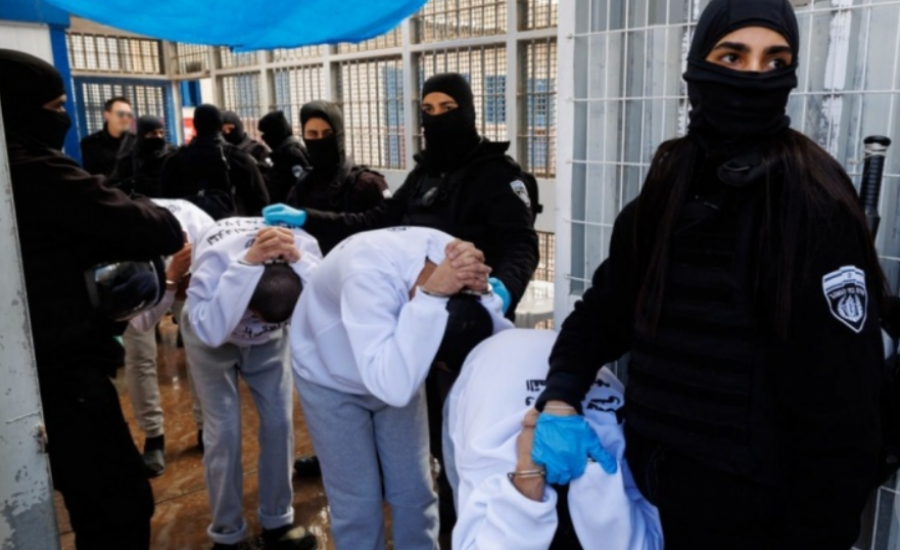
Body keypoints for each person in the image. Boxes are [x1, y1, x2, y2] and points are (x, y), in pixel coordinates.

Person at [530, 2, 886, 549]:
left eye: (775, 62)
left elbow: (843, 411)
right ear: (698, 64)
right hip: (649, 495)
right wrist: (560, 396)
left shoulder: (812, 199)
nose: (753, 77)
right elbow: (606, 311)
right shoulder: (670, 184)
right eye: (732, 56)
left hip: (756, 517)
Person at [271, 74, 540, 522]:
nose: (436, 119)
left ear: (468, 110)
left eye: (447, 109)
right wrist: (308, 218)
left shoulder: (497, 173)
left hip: (464, 320)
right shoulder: (423, 174)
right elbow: (374, 222)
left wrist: (505, 287)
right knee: (427, 428)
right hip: (413, 319)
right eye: (427, 110)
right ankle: (440, 509)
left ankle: (468, 519)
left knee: (465, 428)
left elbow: (522, 243)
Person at [1, 49, 184, 549]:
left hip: (37, 365)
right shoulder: (33, 168)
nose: (62, 116)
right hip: (62, 370)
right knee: (118, 506)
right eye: (56, 106)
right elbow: (157, 226)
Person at [289, 226, 510, 550]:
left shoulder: (454, 259)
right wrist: (431, 297)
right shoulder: (366, 274)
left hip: (398, 366)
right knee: (357, 500)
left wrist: (487, 294)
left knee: (414, 489)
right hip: (328, 373)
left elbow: (494, 335)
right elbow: (392, 387)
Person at [448, 329, 663, 550]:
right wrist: (590, 466)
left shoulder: (491, 461)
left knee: (468, 502)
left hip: (492, 370)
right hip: (552, 361)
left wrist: (528, 475)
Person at [184, 217, 321, 550]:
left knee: (279, 423)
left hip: (270, 344)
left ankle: (278, 521)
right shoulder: (214, 266)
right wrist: (243, 272)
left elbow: (328, 301)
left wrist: (300, 263)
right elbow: (210, 331)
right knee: (223, 434)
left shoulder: (305, 249)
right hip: (211, 332)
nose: (257, 325)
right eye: (255, 318)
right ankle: (227, 534)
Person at [124, 198, 215, 476]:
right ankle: (153, 436)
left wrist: (185, 285)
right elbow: (140, 323)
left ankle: (205, 428)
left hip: (187, 262)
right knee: (139, 355)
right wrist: (171, 281)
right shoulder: (127, 241)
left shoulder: (206, 234)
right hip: (137, 269)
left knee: (201, 351)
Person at [161, 104, 269, 220]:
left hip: (189, 226)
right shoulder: (239, 158)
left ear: (195, 124)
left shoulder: (174, 160)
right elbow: (261, 200)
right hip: (232, 225)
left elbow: (165, 201)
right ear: (220, 125)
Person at [286, 100, 388, 220]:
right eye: (313, 134)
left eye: (327, 134)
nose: (320, 140)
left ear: (339, 135)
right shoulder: (302, 187)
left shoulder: (368, 184)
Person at [109, 115, 176, 198]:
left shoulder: (172, 154)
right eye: (153, 133)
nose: (158, 137)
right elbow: (114, 187)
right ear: (142, 135)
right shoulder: (129, 158)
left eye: (161, 133)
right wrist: (130, 183)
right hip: (141, 203)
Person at [258, 110, 311, 205]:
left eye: (266, 133)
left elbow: (301, 184)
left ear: (274, 133)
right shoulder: (283, 151)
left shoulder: (291, 153)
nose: (263, 138)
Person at [80, 95, 136, 177]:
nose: (125, 118)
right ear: (107, 115)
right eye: (120, 114)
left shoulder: (137, 142)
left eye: (129, 115)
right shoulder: (90, 143)